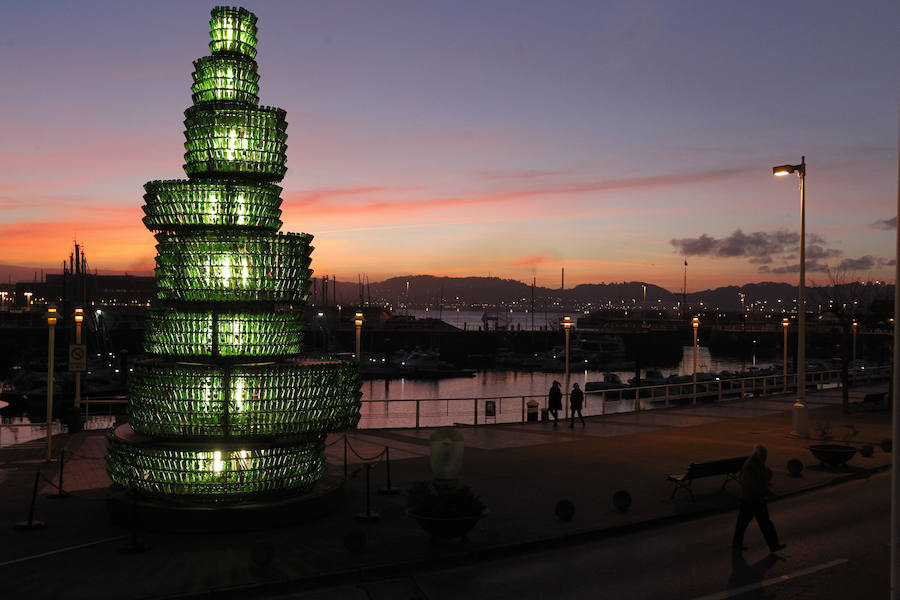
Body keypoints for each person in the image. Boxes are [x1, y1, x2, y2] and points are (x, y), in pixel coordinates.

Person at [732, 444, 786, 553]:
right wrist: (766, 492)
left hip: (754, 499)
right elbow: (752, 484)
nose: (765, 458)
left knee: (751, 523)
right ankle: (773, 545)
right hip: (751, 499)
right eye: (763, 456)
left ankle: (773, 545)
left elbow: (759, 480)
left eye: (765, 456)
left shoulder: (757, 463)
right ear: (758, 455)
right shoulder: (751, 465)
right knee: (750, 523)